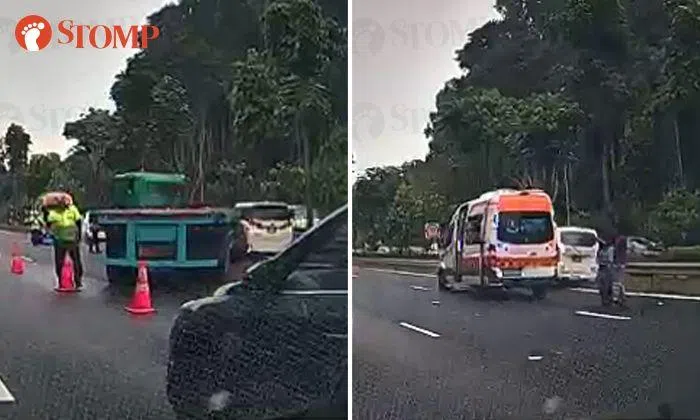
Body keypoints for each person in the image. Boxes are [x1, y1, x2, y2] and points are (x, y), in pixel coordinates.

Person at [45, 195, 84, 289]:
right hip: (60, 240)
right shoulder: (53, 213)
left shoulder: (73, 209)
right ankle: (61, 282)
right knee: (59, 262)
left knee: (76, 262)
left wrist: (79, 236)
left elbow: (78, 222)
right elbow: (48, 224)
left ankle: (78, 282)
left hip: (72, 239)